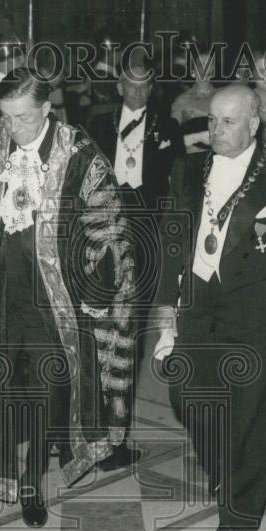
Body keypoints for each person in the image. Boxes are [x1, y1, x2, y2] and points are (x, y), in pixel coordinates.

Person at [0, 67, 137, 527]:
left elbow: (108, 219)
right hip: (0, 292)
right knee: (6, 384)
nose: (12, 128)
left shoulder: (79, 151)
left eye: (23, 118)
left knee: (52, 386)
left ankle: (32, 481)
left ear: (47, 109)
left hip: (55, 296)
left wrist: (99, 284)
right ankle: (5, 470)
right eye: (6, 117)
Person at [154, 85, 266, 531]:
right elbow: (173, 239)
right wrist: (167, 301)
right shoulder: (188, 170)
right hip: (198, 304)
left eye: (228, 122)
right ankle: (224, 470)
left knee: (251, 413)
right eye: (212, 121)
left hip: (258, 310)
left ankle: (237, 511)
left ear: (254, 125)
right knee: (187, 395)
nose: (216, 130)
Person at [88, 60, 183, 470]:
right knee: (94, 329)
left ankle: (118, 433)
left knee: (131, 329)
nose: (139, 93)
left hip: (146, 231)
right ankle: (89, 426)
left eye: (146, 87)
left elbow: (175, 182)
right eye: (132, 85)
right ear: (119, 85)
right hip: (101, 230)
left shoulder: (168, 127)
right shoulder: (96, 122)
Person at [170, 46, 216, 155]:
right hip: (191, 160)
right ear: (192, 69)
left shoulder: (223, 97)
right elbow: (173, 138)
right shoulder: (182, 101)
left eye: (210, 64)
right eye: (201, 65)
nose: (206, 69)